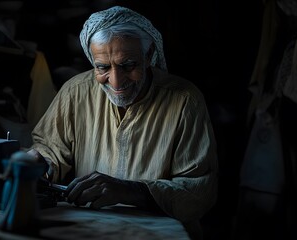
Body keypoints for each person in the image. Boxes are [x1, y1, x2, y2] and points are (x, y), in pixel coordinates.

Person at [18, 6, 218, 240]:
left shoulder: (185, 100)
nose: (115, 81)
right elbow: (49, 148)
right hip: (90, 230)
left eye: (128, 65)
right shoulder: (75, 92)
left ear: (149, 54)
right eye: (102, 67)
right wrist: (41, 163)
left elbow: (199, 192)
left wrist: (131, 191)